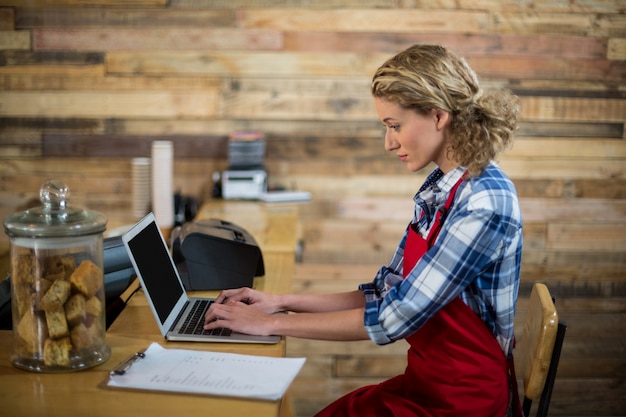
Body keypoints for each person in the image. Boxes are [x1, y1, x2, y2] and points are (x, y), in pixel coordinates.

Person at [204, 44, 523, 417]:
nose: (389, 143)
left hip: (464, 402)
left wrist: (271, 324)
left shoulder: (484, 202)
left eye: (395, 126)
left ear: (439, 115)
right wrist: (280, 302)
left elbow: (395, 315)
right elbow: (383, 291)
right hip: (429, 384)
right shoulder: (442, 189)